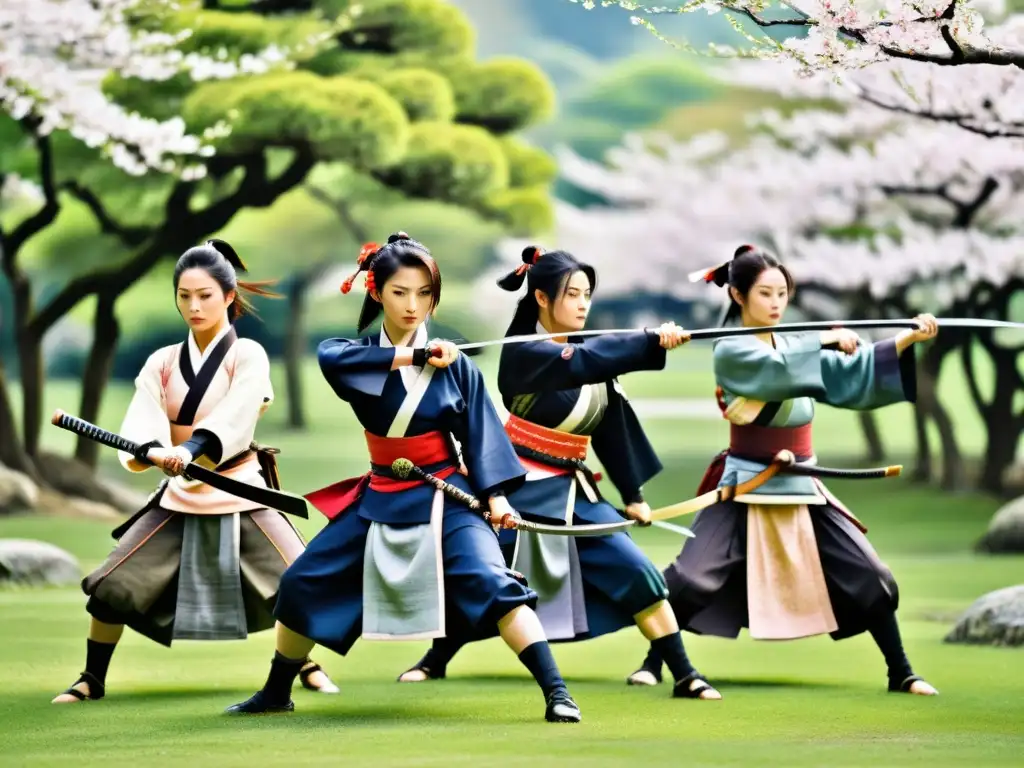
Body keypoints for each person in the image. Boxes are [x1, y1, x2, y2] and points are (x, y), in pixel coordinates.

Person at [225, 233, 582, 723]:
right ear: (376, 292)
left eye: (424, 294)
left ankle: (557, 693)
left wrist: (497, 498)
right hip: (378, 493)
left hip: (444, 492)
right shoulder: (353, 352)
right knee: (303, 582)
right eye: (400, 293)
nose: (413, 306)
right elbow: (334, 360)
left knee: (492, 582)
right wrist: (416, 357)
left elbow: (480, 436)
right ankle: (275, 691)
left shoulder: (458, 367)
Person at [398, 246, 721, 700]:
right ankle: (434, 660)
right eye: (573, 294)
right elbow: (584, 363)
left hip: (574, 493)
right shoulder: (525, 355)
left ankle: (685, 674)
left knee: (638, 571)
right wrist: (650, 342)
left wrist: (632, 494)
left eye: (588, 294)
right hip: (511, 487)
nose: (583, 304)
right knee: (483, 576)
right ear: (543, 298)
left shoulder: (590, 359)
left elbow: (608, 426)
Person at [627, 244, 939, 696]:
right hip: (746, 481)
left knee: (871, 575)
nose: (776, 303)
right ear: (737, 295)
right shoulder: (731, 349)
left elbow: (845, 375)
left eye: (782, 293)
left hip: (801, 484)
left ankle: (901, 671)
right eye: (765, 294)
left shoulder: (796, 344)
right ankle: (656, 662)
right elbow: (775, 374)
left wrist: (906, 339)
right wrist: (825, 340)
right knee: (691, 578)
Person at [53, 239, 337, 704]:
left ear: (228, 297)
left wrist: (192, 448)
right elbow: (144, 417)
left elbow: (237, 413)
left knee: (300, 579)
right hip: (181, 490)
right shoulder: (162, 361)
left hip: (239, 485)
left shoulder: (248, 355)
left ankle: (302, 665)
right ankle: (91, 678)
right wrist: (153, 449)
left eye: (205, 295)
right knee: (111, 585)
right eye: (184, 296)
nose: (194, 305)